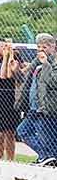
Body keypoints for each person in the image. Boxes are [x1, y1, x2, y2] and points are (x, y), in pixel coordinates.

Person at [16, 34, 57, 165]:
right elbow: (23, 74)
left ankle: (48, 158)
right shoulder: (37, 61)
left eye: (44, 47)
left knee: (47, 137)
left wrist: (45, 64)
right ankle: (46, 157)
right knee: (23, 131)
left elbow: (53, 82)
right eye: (38, 47)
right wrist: (14, 67)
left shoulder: (52, 62)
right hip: (34, 106)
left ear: (52, 47)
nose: (41, 50)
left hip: (47, 107)